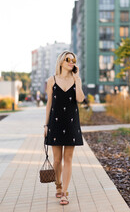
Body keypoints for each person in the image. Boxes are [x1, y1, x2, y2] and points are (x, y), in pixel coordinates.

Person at [44, 51, 85, 205]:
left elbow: (80, 99)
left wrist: (77, 81)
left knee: (68, 159)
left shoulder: (76, 80)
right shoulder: (52, 80)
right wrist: (46, 125)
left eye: (73, 60)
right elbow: (49, 105)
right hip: (55, 122)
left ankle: (65, 193)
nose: (71, 62)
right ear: (61, 62)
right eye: (68, 59)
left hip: (71, 122)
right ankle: (58, 185)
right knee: (57, 160)